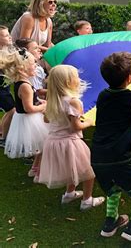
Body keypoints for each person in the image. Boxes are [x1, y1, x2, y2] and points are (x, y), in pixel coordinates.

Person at [91, 52, 131, 241]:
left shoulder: (103, 95)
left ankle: (111, 222)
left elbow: (108, 117)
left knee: (112, 187)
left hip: (97, 156)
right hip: (120, 157)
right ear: (129, 77)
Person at [39, 65, 105, 210]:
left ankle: (70, 194)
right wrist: (88, 122)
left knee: (71, 168)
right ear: (69, 82)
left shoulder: (53, 100)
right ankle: (87, 200)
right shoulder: (73, 101)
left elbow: (46, 120)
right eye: (76, 76)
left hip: (53, 141)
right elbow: (76, 126)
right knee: (88, 172)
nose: (79, 79)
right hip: (70, 141)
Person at [0, 47, 48, 182]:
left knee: (42, 145)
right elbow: (29, 108)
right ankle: (38, 173)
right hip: (29, 119)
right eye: (33, 65)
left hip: (26, 118)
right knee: (43, 143)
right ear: (23, 68)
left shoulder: (22, 82)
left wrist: (38, 100)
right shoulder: (25, 86)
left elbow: (29, 101)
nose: (36, 66)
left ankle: (35, 168)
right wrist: (43, 106)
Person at [0, 26, 15, 148]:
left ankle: (2, 133)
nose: (9, 36)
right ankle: (4, 138)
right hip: (0, 88)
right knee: (12, 110)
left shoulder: (7, 50)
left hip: (4, 86)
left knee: (9, 110)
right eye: (5, 35)